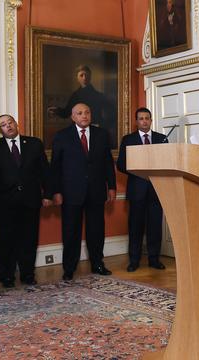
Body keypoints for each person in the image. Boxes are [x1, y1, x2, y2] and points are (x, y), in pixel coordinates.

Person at [50, 103, 116, 281]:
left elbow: (108, 163)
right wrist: (55, 191)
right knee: (71, 232)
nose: (84, 116)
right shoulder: (62, 136)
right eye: (79, 113)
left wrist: (112, 186)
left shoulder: (101, 135)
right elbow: (55, 167)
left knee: (96, 230)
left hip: (96, 191)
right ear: (73, 117)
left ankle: (98, 264)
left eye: (87, 112)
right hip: (71, 192)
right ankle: (69, 268)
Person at [0, 114, 52, 288]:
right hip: (3, 204)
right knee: (5, 240)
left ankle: (27, 274)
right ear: (0, 130)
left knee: (29, 239)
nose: (8, 126)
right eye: (3, 125)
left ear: (16, 124)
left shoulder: (34, 143)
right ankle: (6, 275)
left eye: (10, 122)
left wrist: (48, 195)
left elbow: (44, 171)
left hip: (30, 201)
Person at [116, 107, 167, 272]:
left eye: (147, 118)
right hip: (137, 189)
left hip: (156, 190)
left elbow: (167, 162)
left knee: (155, 227)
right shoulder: (128, 139)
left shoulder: (161, 138)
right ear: (136, 121)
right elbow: (121, 165)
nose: (144, 121)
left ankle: (154, 259)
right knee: (135, 227)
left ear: (151, 120)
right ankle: (134, 260)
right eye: (141, 118)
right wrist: (137, 169)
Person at [48, 65, 116, 146]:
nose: (84, 78)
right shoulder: (75, 95)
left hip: (96, 132)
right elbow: (67, 112)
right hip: (78, 132)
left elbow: (111, 112)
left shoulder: (98, 95)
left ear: (90, 77)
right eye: (81, 75)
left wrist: (101, 124)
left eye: (86, 75)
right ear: (77, 78)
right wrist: (57, 110)